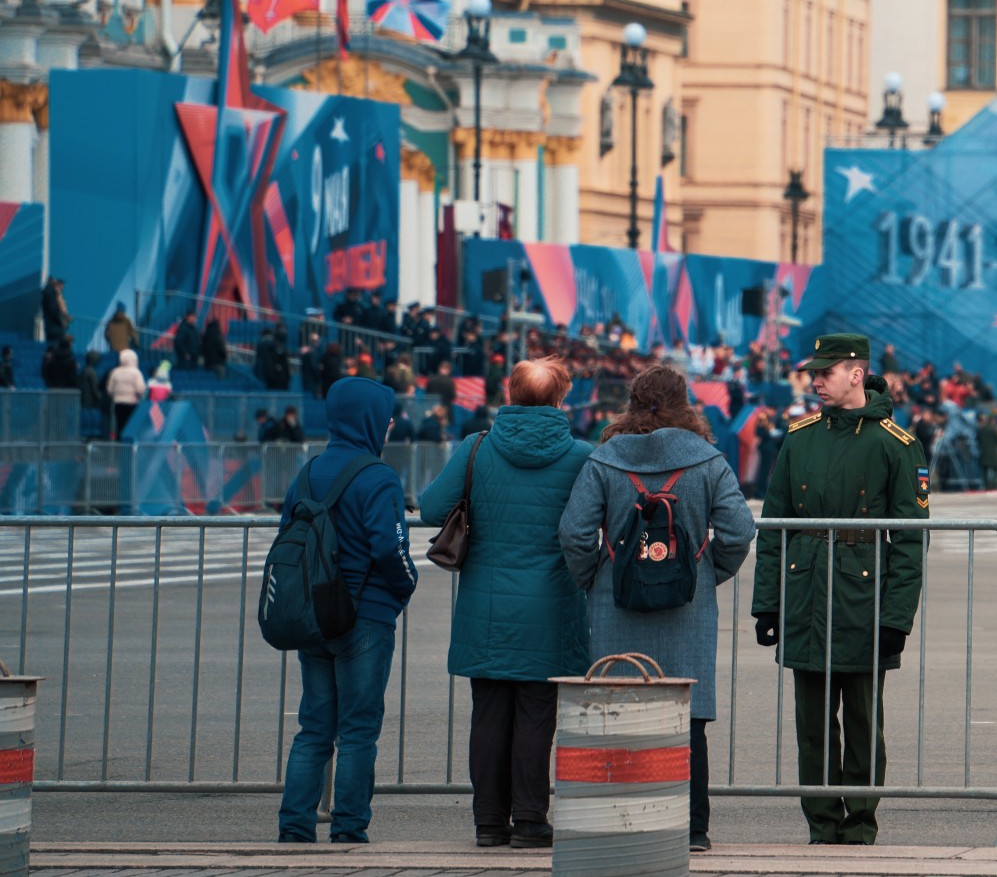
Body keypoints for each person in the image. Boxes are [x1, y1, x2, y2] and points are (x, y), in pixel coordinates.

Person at [559, 365, 757, 852]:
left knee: (619, 710)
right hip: (687, 607)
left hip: (616, 602)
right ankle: (693, 829)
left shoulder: (604, 460)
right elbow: (738, 530)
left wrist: (598, 577)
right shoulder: (708, 461)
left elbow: (575, 532)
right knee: (687, 716)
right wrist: (706, 573)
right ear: (684, 402)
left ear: (632, 401)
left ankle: (620, 818)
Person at [752, 333, 927, 845]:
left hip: (861, 597)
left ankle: (859, 826)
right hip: (805, 592)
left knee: (862, 722)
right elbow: (773, 527)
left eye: (825, 372)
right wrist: (768, 604)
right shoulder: (799, 437)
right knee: (812, 726)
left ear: (856, 373)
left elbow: (910, 544)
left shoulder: (895, 444)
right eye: (814, 373)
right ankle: (822, 825)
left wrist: (897, 618)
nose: (815, 381)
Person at [420, 357, 593, 850]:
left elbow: (432, 506)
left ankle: (489, 822)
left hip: (486, 606)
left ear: (510, 394)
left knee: (489, 715)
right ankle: (531, 819)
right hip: (552, 606)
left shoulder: (476, 448)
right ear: (561, 399)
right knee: (537, 715)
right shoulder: (580, 455)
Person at [276, 377, 418, 844]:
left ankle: (295, 827)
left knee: (314, 727)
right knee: (358, 731)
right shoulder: (378, 477)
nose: (391, 424)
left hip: (314, 615)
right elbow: (389, 547)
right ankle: (349, 828)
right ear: (371, 420)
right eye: (387, 416)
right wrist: (407, 584)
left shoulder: (307, 472)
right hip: (366, 617)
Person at [104, 349, 146, 434]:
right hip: (132, 404)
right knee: (130, 426)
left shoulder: (115, 372)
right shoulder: (136, 372)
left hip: (118, 403)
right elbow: (140, 389)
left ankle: (119, 443)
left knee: (120, 425)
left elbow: (109, 389)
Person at [39, 275, 66, 343]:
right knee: (55, 347)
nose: (62, 287)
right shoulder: (50, 293)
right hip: (54, 328)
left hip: (54, 327)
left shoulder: (52, 293)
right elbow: (53, 310)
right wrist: (61, 320)